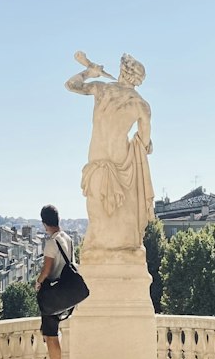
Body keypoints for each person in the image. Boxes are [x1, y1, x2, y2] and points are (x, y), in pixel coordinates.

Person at [66, 53, 155, 251]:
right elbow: (144, 142)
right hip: (122, 163)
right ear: (137, 80)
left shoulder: (101, 90)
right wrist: (148, 145)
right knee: (123, 217)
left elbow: (71, 85)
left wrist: (89, 72)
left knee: (96, 213)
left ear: (122, 71)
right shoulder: (141, 106)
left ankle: (102, 251)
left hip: (96, 159)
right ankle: (124, 249)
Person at [34, 204, 75, 359]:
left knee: (51, 335)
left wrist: (38, 282)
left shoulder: (52, 242)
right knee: (52, 333)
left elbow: (47, 268)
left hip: (53, 292)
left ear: (44, 223)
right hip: (66, 290)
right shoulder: (68, 238)